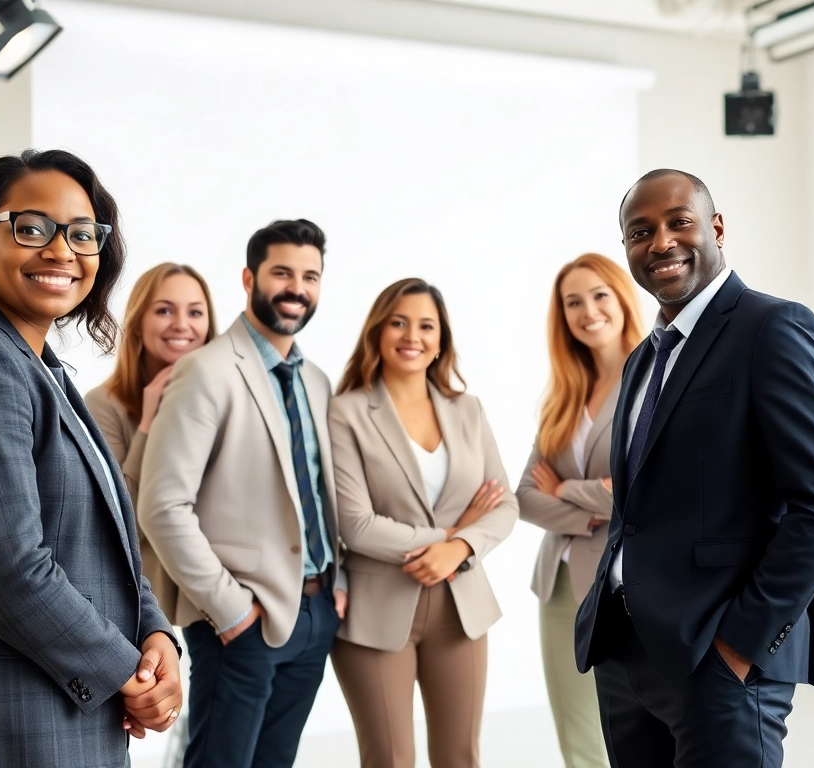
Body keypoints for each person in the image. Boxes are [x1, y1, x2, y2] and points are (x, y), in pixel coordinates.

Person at [0, 149, 183, 767]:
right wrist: (128, 671)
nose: (61, 250)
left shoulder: (42, 368)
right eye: (31, 228)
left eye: (81, 233)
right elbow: (9, 569)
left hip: (59, 712)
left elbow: (103, 541)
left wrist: (157, 638)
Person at [573, 169, 814, 767]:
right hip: (625, 653)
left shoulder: (773, 328)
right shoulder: (642, 360)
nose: (660, 243)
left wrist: (740, 644)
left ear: (716, 227)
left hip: (718, 659)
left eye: (679, 222)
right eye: (639, 232)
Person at [136, 219, 347, 768]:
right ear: (250, 278)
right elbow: (162, 506)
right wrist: (231, 612)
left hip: (316, 613)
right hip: (240, 625)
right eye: (282, 272)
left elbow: (319, 496)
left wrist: (335, 586)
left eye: (310, 276)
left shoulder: (316, 380)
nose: (296, 288)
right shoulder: (205, 372)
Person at [329, 278, 518, 768]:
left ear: (440, 340)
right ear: (377, 331)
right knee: (389, 759)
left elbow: (505, 506)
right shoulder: (346, 413)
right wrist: (451, 537)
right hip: (375, 614)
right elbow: (355, 524)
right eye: (398, 322)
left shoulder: (467, 410)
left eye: (426, 325)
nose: (412, 335)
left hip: (463, 611)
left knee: (460, 758)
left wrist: (459, 551)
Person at [516, 253, 644, 768]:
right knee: (577, 736)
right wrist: (594, 502)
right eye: (573, 302)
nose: (588, 311)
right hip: (560, 585)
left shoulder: (654, 377)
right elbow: (525, 496)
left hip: (625, 585)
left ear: (620, 298)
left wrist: (565, 486)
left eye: (598, 295)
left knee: (635, 730)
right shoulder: (563, 396)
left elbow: (639, 493)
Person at [85, 262, 216, 621]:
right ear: (139, 322)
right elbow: (114, 520)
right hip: (143, 604)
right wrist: (148, 423)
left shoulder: (221, 400)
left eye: (195, 312)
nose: (181, 325)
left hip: (219, 594)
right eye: (164, 310)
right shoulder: (101, 406)